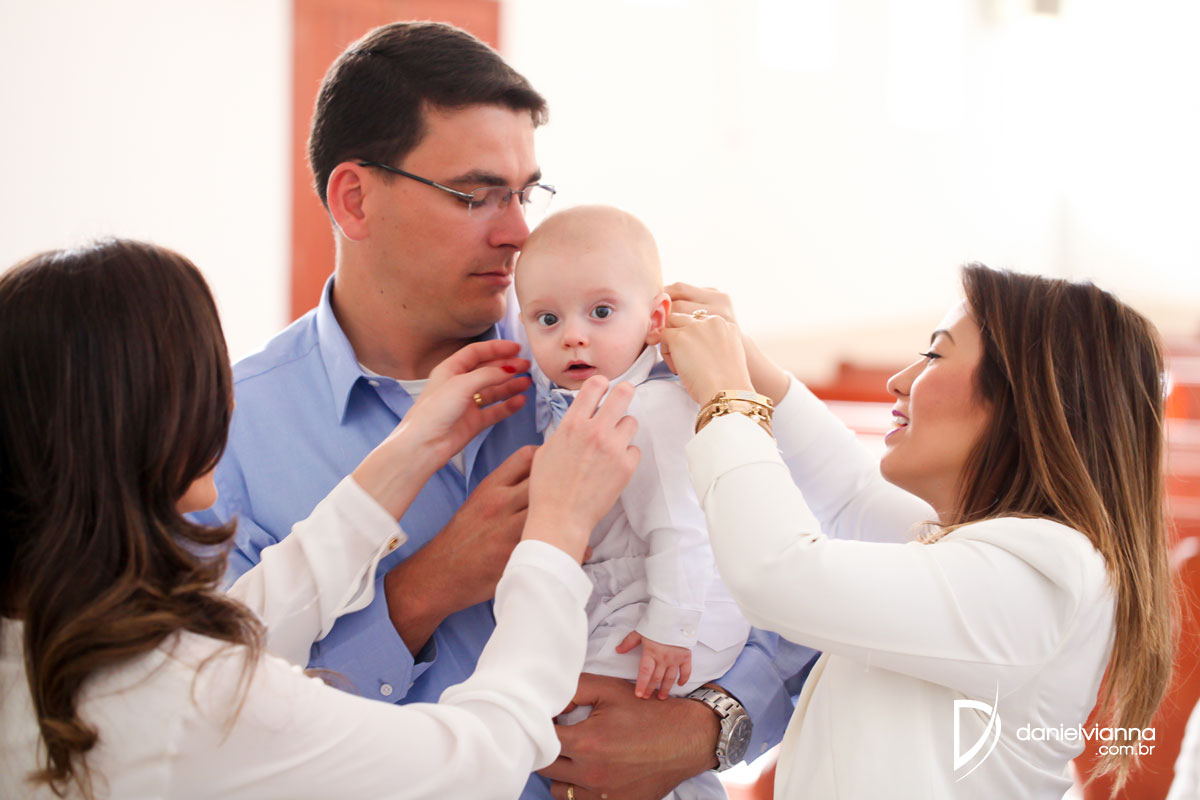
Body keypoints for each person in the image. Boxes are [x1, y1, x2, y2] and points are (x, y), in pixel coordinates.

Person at [194, 21, 809, 800]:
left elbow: (813, 592)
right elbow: (213, 725)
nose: (519, 232)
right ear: (354, 199)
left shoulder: (637, 360)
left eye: (524, 193)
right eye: (476, 195)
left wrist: (706, 729)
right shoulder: (224, 436)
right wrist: (423, 591)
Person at [0, 239, 641, 798]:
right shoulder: (190, 703)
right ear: (139, 420)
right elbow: (479, 760)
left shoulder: (42, 642)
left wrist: (411, 447)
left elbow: (248, 621)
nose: (225, 403)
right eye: (201, 378)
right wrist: (555, 535)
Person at [658, 265, 1174, 798]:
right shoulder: (990, 550)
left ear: (1024, 400)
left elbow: (777, 572)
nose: (899, 381)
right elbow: (849, 494)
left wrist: (728, 397)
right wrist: (748, 362)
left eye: (934, 355)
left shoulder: (1041, 575)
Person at [515, 206, 752, 799]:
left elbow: (682, 527)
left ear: (655, 319)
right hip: (633, 597)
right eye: (548, 319)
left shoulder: (649, 409)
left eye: (600, 312)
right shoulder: (588, 403)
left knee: (585, 720)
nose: (573, 335)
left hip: (675, 612)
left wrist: (670, 628)